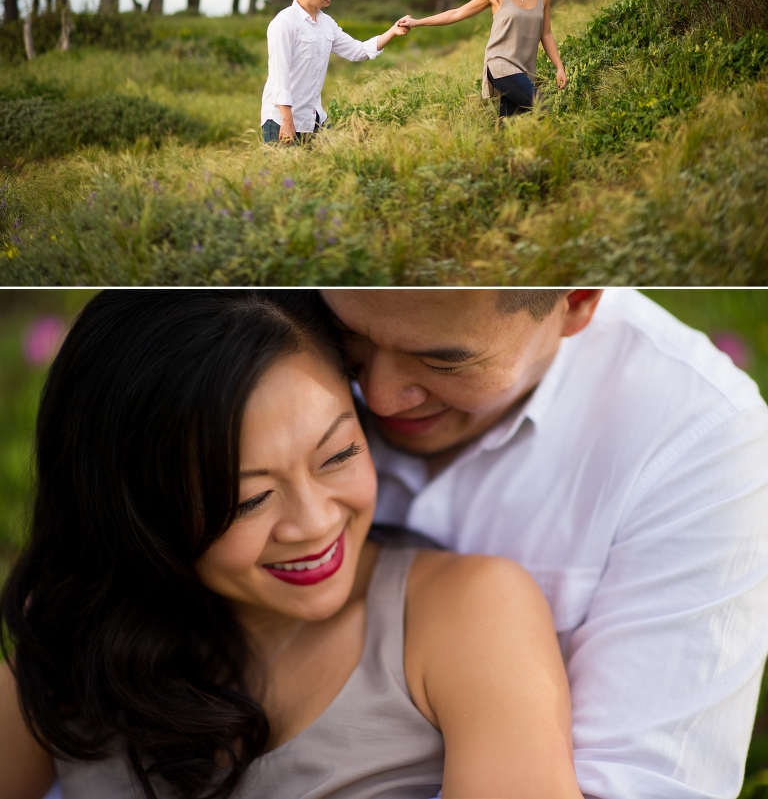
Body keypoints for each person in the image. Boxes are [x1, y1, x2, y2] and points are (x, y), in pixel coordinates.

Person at [0, 289, 580, 799]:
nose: (314, 523)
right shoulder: (65, 642)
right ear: (135, 511)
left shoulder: (466, 615)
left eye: (338, 455)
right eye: (248, 501)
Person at [323, 286, 768, 799]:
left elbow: (640, 785)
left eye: (441, 362)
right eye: (349, 335)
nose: (375, 395)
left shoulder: (696, 439)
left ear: (577, 300)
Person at [400, 0, 566, 117]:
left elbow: (546, 34)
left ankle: (502, 145)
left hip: (525, 68)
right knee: (542, 107)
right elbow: (456, 13)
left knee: (511, 124)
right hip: (500, 64)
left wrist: (559, 67)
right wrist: (416, 22)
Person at [262, 0, 408, 144]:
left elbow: (358, 51)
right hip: (281, 121)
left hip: (314, 119)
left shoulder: (326, 23)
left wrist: (393, 31)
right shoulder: (284, 23)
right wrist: (287, 120)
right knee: (283, 173)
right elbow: (279, 75)